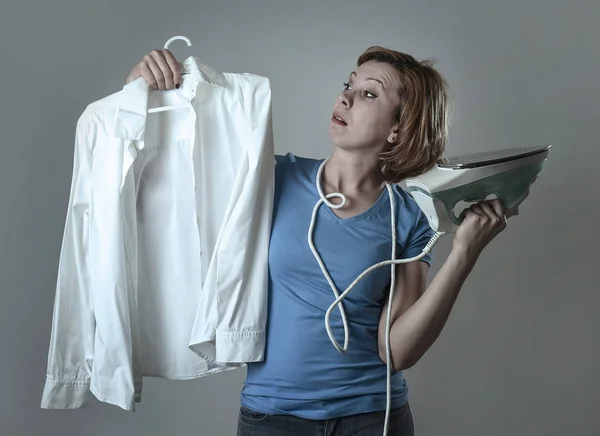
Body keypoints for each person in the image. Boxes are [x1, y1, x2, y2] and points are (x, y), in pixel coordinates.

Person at [125, 46, 508, 436]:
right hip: (270, 419)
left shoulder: (410, 214)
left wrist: (463, 254)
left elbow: (397, 351)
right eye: (349, 85)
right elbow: (163, 180)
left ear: (399, 127)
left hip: (373, 418)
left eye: (369, 94)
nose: (344, 97)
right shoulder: (272, 179)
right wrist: (138, 90)